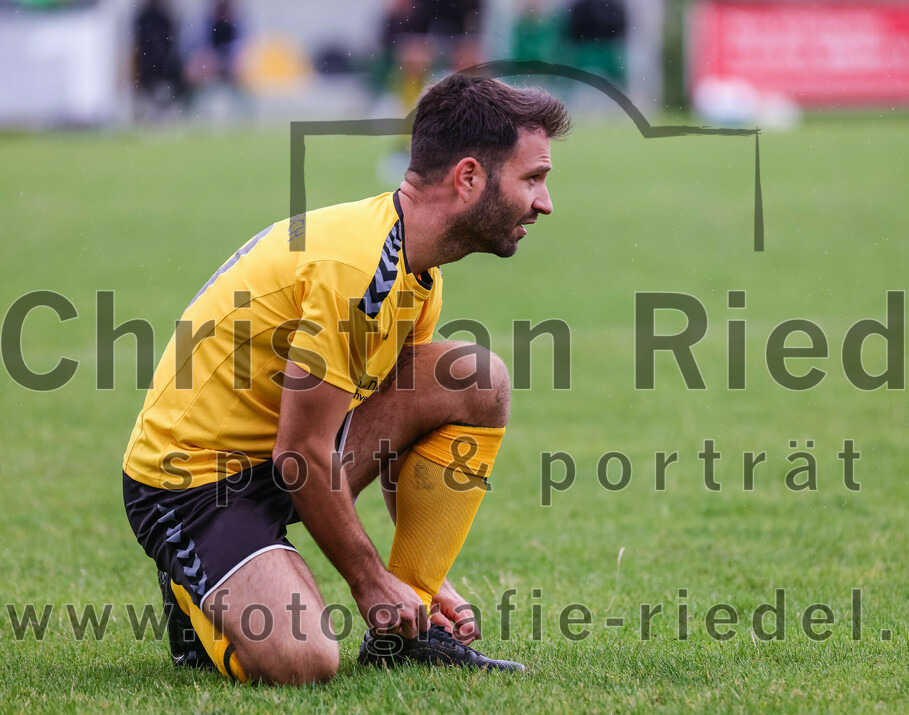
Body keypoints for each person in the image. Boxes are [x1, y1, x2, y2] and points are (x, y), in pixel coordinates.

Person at [122, 73, 572, 685]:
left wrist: (423, 580)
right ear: (468, 177)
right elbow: (301, 451)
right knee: (304, 660)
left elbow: (403, 432)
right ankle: (194, 593)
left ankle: (409, 635)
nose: (544, 203)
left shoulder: (417, 269)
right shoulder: (357, 269)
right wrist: (367, 581)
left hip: (284, 458)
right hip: (193, 481)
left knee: (474, 378)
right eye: (533, 179)